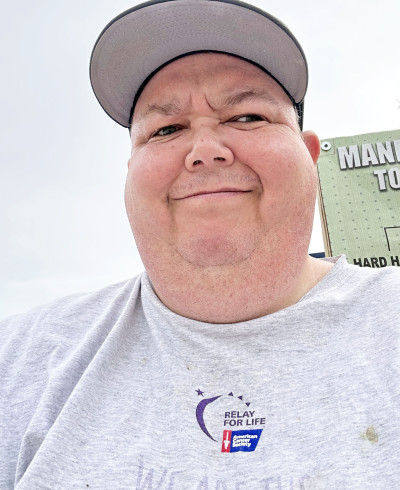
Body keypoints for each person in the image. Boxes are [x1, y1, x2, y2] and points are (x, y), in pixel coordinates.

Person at [1, 1, 399, 488]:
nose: (205, 150)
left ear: (309, 155)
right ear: (131, 170)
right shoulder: (19, 363)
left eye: (246, 116)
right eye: (166, 129)